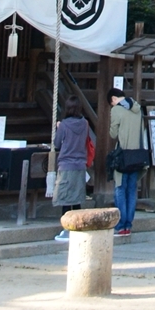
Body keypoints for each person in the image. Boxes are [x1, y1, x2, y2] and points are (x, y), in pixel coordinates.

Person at [106, 84, 146, 238]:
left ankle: (120, 225)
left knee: (120, 189)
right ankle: (128, 225)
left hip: (122, 155)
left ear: (114, 99)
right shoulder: (137, 108)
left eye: (111, 102)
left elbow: (113, 133)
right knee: (131, 190)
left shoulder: (116, 109)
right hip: (136, 156)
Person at [52, 96, 92, 242]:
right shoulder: (85, 124)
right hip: (80, 164)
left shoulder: (63, 125)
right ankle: (78, 226)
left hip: (67, 163)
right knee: (77, 196)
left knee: (65, 198)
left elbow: (57, 144)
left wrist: (58, 128)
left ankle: (66, 229)